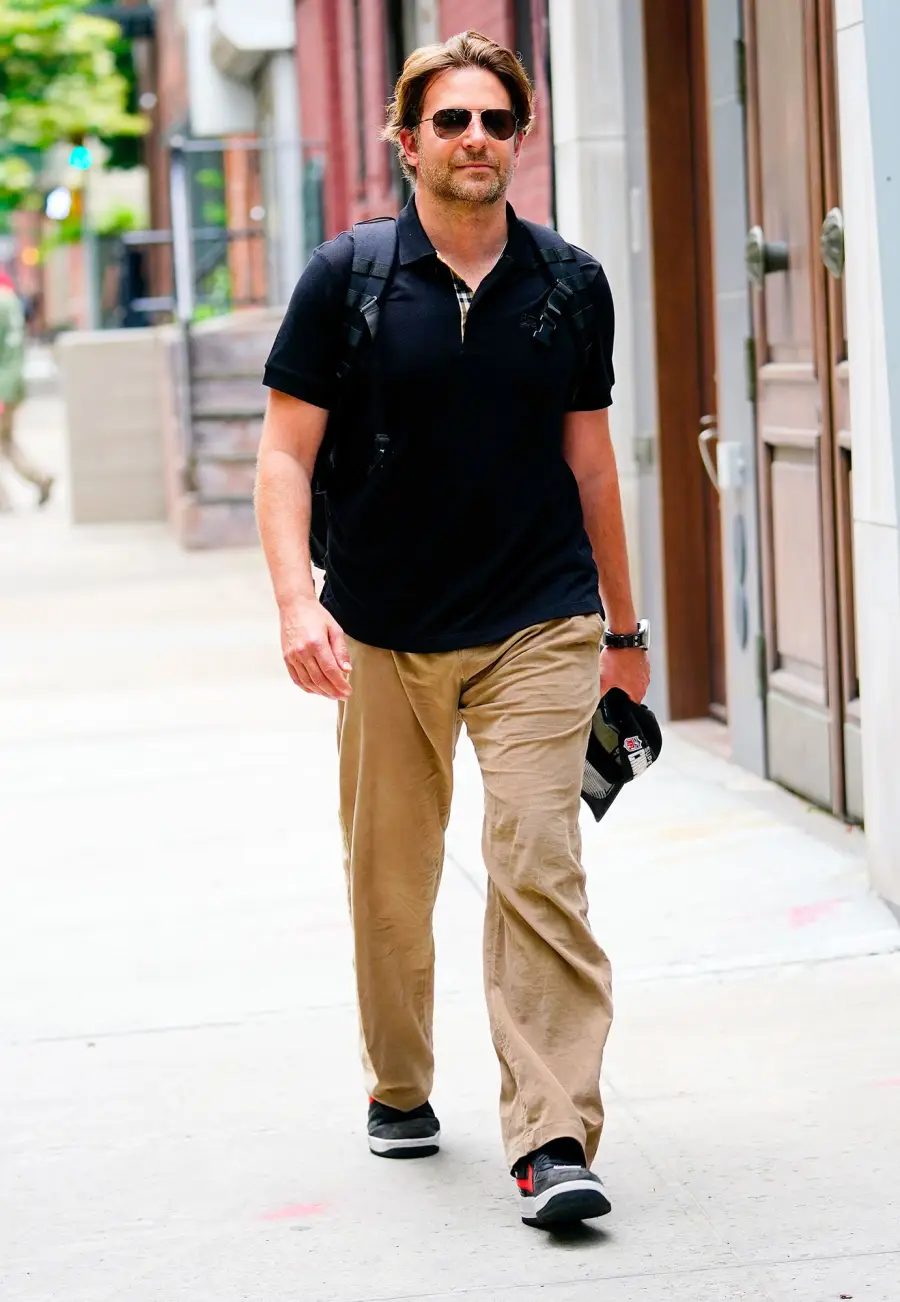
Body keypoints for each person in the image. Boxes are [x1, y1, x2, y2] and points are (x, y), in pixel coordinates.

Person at [255, 30, 650, 1229]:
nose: (475, 139)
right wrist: (294, 600)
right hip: (381, 624)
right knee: (392, 878)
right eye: (451, 121)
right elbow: (284, 452)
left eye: (495, 121)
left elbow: (591, 468)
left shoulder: (571, 283)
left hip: (539, 616)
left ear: (519, 139)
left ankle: (553, 1138)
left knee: (539, 862)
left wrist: (623, 636)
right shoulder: (349, 278)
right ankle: (400, 1083)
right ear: (406, 139)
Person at [0, 269, 53, 510]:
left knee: (6, 442)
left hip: (2, 385)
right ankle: (40, 478)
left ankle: (5, 499)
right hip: (14, 383)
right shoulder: (11, 301)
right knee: (6, 442)